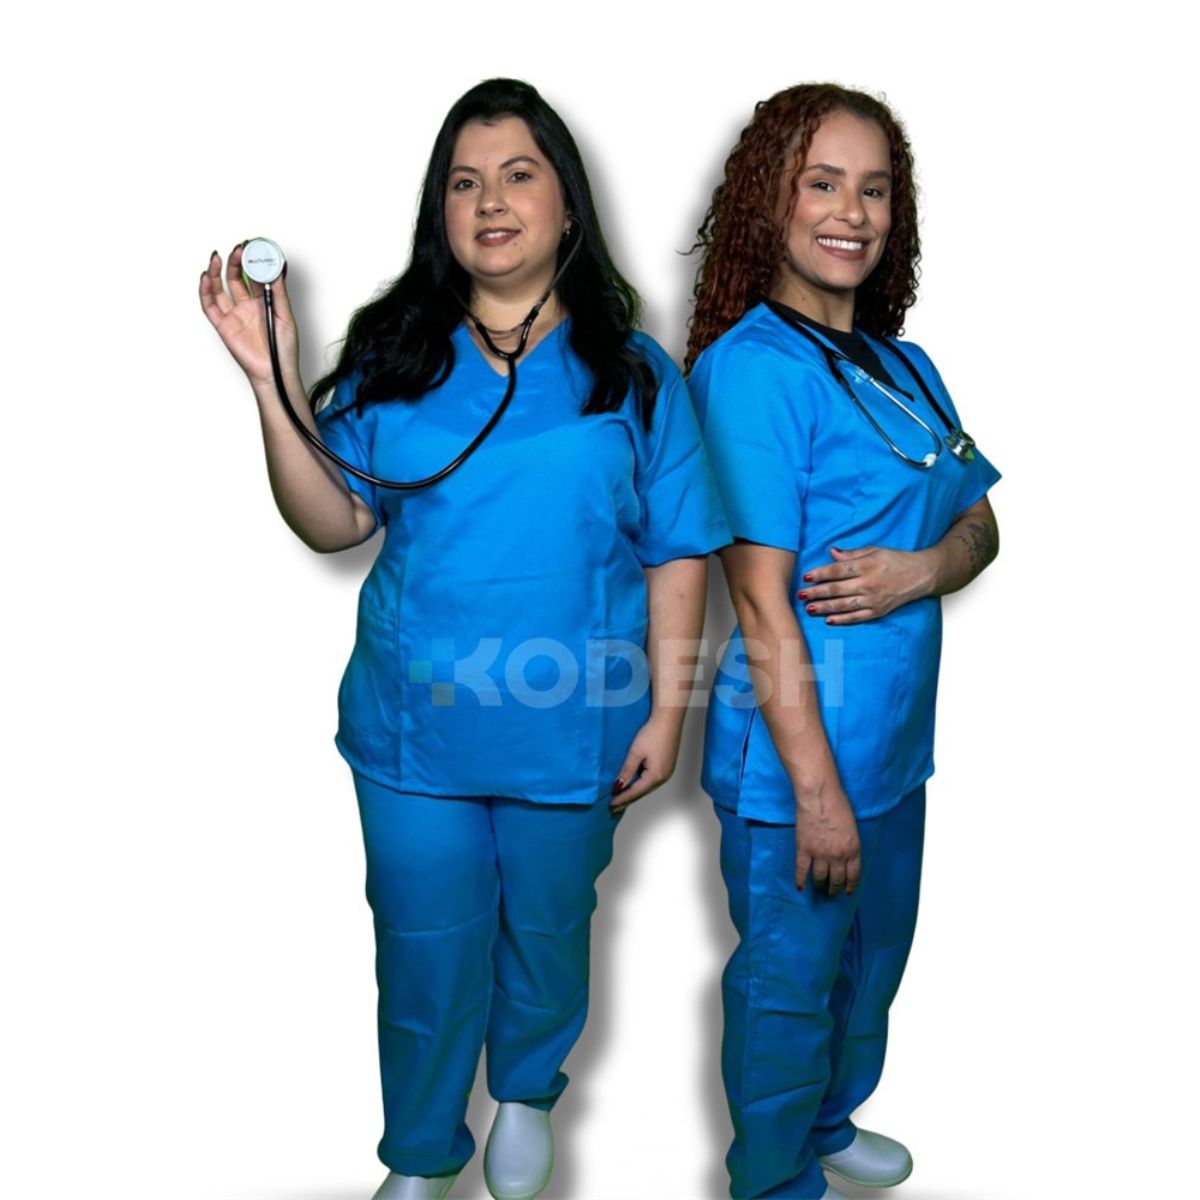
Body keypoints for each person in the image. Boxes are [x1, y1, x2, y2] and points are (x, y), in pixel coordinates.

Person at [199, 78, 729, 1200]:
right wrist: (269, 383)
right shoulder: (394, 358)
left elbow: (678, 550)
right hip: (414, 734)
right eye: (464, 182)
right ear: (439, 213)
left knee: (549, 928)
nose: (490, 200)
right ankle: (422, 1150)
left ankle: (527, 1092)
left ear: (567, 204)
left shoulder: (636, 374)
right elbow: (334, 522)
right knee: (423, 948)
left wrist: (669, 710)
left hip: (573, 725)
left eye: (518, 175)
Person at [686, 83, 1001, 1200]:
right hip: (798, 771)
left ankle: (828, 1123)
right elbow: (759, 603)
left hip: (894, 753)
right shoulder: (751, 374)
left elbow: (982, 524)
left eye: (873, 189)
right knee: (789, 988)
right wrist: (817, 794)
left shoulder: (905, 368)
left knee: (871, 970)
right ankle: (773, 1179)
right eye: (821, 183)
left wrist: (923, 569)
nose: (851, 212)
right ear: (768, 201)